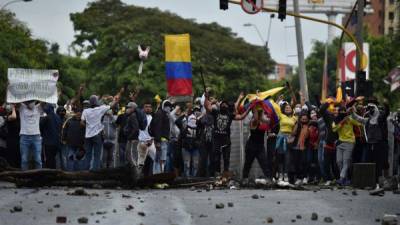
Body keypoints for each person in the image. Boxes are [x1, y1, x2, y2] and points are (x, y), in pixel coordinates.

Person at [204, 92, 247, 177]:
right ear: (220, 106)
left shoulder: (230, 115)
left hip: (226, 141)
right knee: (216, 158)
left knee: (226, 158)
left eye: (225, 104)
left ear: (227, 107)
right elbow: (207, 107)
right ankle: (217, 174)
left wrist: (249, 108)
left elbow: (241, 117)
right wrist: (206, 97)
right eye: (222, 104)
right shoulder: (216, 112)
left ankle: (225, 174)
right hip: (216, 140)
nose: (224, 105)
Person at [81, 94, 119, 170]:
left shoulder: (85, 111)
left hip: (88, 136)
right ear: (97, 102)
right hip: (97, 135)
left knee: (88, 154)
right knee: (97, 155)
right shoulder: (100, 109)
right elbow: (112, 105)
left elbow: (81, 123)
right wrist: (115, 100)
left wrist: (88, 126)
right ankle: (95, 172)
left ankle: (85, 171)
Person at [332, 106, 362, 186]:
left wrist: (355, 114)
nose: (342, 113)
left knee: (346, 161)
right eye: (340, 111)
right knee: (339, 161)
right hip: (340, 142)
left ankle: (341, 178)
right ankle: (345, 179)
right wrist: (342, 122)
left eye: (344, 111)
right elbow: (334, 129)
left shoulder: (349, 119)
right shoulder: (336, 120)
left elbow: (359, 123)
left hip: (350, 142)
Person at [10, 101, 43, 170]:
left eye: (32, 101)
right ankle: (24, 177)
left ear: (34, 101)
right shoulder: (22, 107)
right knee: (24, 160)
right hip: (24, 136)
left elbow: (45, 99)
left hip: (36, 136)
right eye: (29, 101)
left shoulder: (38, 107)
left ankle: (40, 176)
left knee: (38, 159)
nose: (30, 103)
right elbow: (14, 100)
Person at [242, 106, 272, 183]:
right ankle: (245, 178)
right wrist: (255, 105)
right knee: (248, 163)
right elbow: (256, 118)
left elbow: (270, 120)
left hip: (260, 146)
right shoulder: (253, 121)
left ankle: (268, 178)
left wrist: (264, 108)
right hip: (251, 146)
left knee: (264, 163)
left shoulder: (264, 121)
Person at [149, 100, 172, 173]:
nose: (168, 108)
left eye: (169, 106)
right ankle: (158, 174)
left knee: (160, 158)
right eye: (166, 106)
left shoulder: (164, 114)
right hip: (161, 140)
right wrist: (158, 141)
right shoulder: (160, 114)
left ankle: (158, 173)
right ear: (163, 106)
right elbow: (157, 128)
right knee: (160, 159)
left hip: (163, 140)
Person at [40, 104, 62, 169]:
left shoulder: (46, 118)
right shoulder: (58, 117)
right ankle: (54, 172)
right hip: (56, 142)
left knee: (49, 159)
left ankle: (50, 174)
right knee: (53, 158)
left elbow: (40, 127)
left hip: (48, 143)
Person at [136, 100, 154, 176]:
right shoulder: (140, 117)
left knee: (155, 159)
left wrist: (152, 139)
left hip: (151, 142)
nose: (148, 108)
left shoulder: (153, 118)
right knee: (140, 162)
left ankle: (152, 177)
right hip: (141, 142)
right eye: (146, 107)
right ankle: (138, 177)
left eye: (149, 107)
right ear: (143, 108)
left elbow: (155, 130)